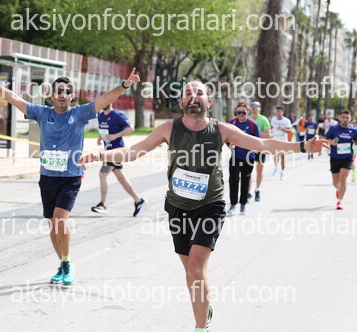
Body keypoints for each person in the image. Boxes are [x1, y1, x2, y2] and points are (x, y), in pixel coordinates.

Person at [78, 81, 327, 332]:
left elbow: (262, 144)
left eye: (199, 93)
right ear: (181, 102)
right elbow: (133, 151)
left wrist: (302, 146)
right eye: (188, 93)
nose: (193, 96)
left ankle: (200, 327)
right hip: (178, 206)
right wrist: (99, 155)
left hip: (210, 205)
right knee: (191, 272)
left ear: (208, 101)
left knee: (196, 269)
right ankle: (204, 309)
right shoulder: (168, 129)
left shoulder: (221, 130)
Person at [0, 62, 140, 286]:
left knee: (60, 221)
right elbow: (14, 99)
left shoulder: (80, 113)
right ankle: (62, 263)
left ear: (72, 96)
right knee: (52, 224)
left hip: (70, 177)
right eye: (59, 91)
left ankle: (68, 263)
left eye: (67, 91)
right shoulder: (41, 113)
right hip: (47, 177)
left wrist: (125, 85)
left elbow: (104, 99)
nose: (63, 94)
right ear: (52, 95)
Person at [91, 103, 146, 216]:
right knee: (121, 179)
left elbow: (131, 128)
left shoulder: (117, 115)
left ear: (111, 102)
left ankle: (102, 204)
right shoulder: (100, 116)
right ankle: (139, 201)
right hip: (107, 150)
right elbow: (104, 130)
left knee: (102, 174)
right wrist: (100, 137)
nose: (104, 103)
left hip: (117, 151)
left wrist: (116, 136)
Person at [325, 110, 357, 210]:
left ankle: (339, 201)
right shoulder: (333, 128)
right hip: (335, 157)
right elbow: (325, 139)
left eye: (347, 117)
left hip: (347, 158)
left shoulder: (354, 130)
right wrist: (331, 142)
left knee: (343, 179)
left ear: (350, 119)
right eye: (343, 117)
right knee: (335, 183)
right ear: (340, 118)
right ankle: (339, 189)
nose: (345, 119)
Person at [227, 103, 260, 216]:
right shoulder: (232, 123)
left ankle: (243, 205)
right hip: (235, 157)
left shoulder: (252, 124)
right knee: (233, 181)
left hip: (248, 157)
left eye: (243, 112)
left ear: (248, 112)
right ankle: (233, 205)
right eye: (238, 112)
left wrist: (256, 154)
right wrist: (229, 145)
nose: (241, 115)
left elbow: (258, 140)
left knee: (245, 182)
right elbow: (226, 137)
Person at [249, 100, 271, 201]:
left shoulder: (263, 119)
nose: (253, 107)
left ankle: (257, 190)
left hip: (261, 148)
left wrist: (256, 132)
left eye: (256, 105)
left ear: (259, 108)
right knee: (248, 171)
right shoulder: (247, 119)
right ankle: (249, 192)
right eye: (252, 105)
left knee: (259, 170)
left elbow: (268, 135)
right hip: (249, 148)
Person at [270, 107, 292, 180]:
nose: (278, 113)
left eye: (279, 111)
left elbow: (290, 130)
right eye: (277, 111)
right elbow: (271, 127)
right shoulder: (273, 119)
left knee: (283, 156)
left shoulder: (286, 121)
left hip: (283, 139)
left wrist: (283, 129)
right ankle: (276, 167)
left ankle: (283, 172)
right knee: (276, 154)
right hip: (275, 139)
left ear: (282, 112)